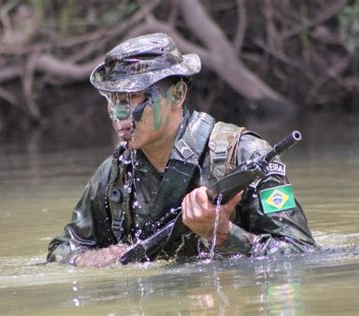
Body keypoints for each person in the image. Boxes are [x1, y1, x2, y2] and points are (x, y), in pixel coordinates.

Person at [47, 33, 316, 267]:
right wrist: (98, 259)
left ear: (177, 95)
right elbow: (61, 249)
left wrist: (224, 234)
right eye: (112, 99)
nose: (119, 114)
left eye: (133, 98)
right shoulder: (115, 175)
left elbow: (301, 255)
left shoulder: (246, 155)